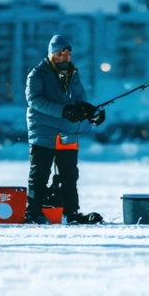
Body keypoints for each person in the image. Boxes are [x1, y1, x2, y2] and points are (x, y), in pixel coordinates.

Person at [25, 34, 105, 225]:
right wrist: (65, 110)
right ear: (52, 55)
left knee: (70, 176)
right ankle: (33, 212)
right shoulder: (37, 74)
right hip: (44, 133)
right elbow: (35, 101)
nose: (65, 57)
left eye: (68, 53)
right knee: (40, 174)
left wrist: (92, 113)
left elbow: (80, 100)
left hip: (68, 134)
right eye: (60, 53)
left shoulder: (73, 75)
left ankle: (72, 213)